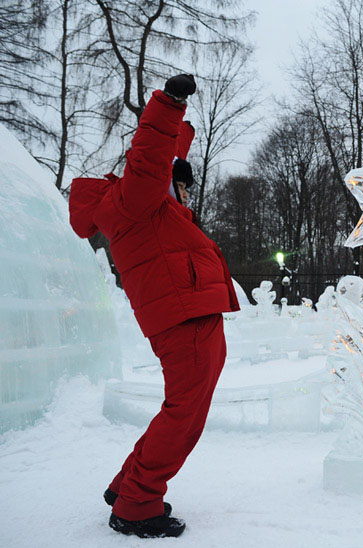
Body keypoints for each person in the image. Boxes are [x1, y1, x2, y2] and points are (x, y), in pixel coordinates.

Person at [69, 74, 240, 538]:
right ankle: (137, 504)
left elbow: (167, 158)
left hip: (186, 315)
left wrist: (178, 130)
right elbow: (151, 159)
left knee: (182, 410)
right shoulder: (135, 199)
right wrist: (169, 103)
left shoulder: (146, 207)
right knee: (184, 414)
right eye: (180, 186)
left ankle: (128, 484)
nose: (185, 194)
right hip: (183, 318)